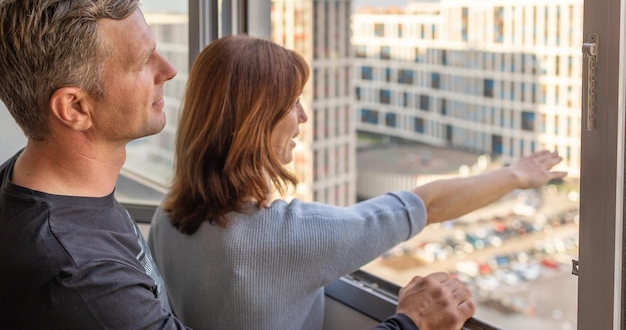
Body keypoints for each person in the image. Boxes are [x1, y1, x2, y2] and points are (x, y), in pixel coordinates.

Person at [0, 0, 474, 330]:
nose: (167, 69)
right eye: (143, 61)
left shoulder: (27, 187)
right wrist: (409, 324)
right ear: (75, 107)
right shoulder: (85, 280)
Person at [148, 34, 567, 330]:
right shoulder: (291, 237)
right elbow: (427, 204)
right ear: (258, 122)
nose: (303, 117)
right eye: (293, 103)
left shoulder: (167, 220)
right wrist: (514, 175)